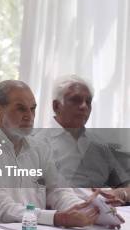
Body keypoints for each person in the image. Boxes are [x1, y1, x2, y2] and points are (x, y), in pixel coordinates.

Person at [0, 80, 100, 228]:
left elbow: (58, 191)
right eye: (21, 109)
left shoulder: (39, 147)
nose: (29, 116)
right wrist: (57, 218)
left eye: (32, 109)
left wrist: (88, 211)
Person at [34, 75, 130, 203]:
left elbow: (125, 184)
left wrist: (121, 193)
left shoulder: (99, 144)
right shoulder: (38, 144)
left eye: (88, 101)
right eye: (76, 100)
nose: (84, 106)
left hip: (110, 213)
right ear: (56, 106)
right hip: (66, 215)